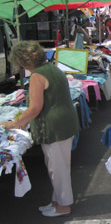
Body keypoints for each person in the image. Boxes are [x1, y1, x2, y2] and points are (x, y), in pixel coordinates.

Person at [0, 41, 80, 217]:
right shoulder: (52, 69)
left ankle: (64, 206)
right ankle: (57, 201)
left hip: (54, 126)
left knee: (57, 169)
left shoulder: (37, 75)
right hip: (64, 123)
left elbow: (35, 108)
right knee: (59, 166)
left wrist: (14, 123)